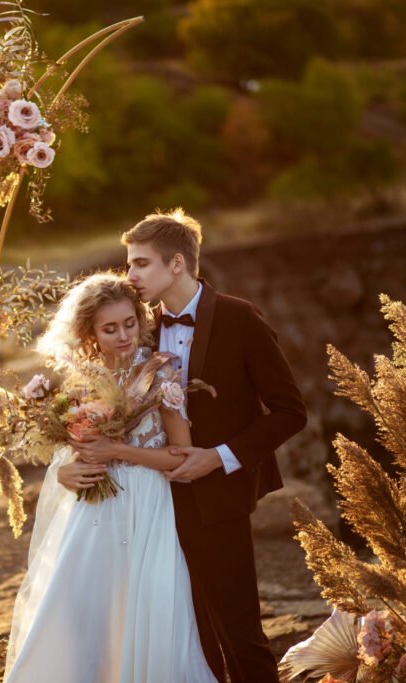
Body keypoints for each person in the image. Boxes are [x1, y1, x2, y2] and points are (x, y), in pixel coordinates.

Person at [77, 209, 307, 682]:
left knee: (240, 632)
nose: (130, 275)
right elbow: (92, 404)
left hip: (218, 497)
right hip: (150, 503)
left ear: (176, 264)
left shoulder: (241, 319)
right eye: (129, 264)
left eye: (140, 263)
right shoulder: (136, 328)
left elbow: (289, 412)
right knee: (187, 634)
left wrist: (217, 459)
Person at [4, 272, 220, 683]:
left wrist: (120, 451)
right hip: (94, 509)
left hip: (148, 504)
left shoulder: (162, 372)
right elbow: (72, 450)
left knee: (149, 609)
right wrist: (67, 470)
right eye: (110, 328)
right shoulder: (80, 380)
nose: (123, 335)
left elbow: (180, 456)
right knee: (81, 610)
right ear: (90, 332)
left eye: (130, 323)